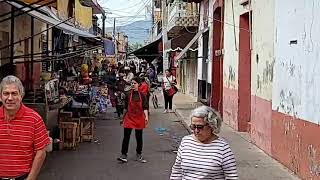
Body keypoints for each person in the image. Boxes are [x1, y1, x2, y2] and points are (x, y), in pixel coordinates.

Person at [0, 75, 50, 180]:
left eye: (14, 93)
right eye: (6, 93)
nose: (10, 98)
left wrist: (30, 178)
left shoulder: (34, 119)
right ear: (0, 97)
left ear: (21, 95)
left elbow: (41, 153)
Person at [170, 106, 238, 180]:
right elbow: (177, 170)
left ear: (211, 126)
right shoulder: (186, 142)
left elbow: (231, 176)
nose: (196, 130)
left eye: (200, 127)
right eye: (193, 126)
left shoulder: (222, 148)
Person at [118, 77, 149, 163]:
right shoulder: (128, 94)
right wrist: (122, 118)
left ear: (138, 84)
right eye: (131, 83)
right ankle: (123, 154)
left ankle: (139, 154)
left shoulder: (142, 95)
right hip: (129, 117)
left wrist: (146, 117)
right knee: (126, 137)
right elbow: (125, 108)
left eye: (134, 83)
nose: (132, 84)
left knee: (139, 137)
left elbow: (145, 107)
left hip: (139, 118)